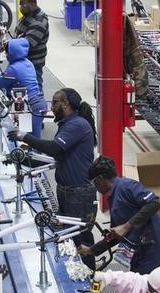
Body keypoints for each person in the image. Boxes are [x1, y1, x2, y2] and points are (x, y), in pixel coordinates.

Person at [78, 155, 160, 293]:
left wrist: (127, 226)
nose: (95, 188)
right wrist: (92, 250)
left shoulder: (126, 187)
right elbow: (117, 235)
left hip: (156, 252)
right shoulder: (114, 196)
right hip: (142, 254)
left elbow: (154, 203)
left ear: (101, 179)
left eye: (94, 183)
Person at [8, 87, 97, 257]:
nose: (52, 106)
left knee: (81, 240)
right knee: (71, 238)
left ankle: (90, 277)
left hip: (79, 194)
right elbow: (59, 158)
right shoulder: (67, 124)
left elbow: (54, 148)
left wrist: (24, 136)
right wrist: (23, 160)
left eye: (55, 102)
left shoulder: (77, 125)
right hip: (69, 192)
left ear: (65, 104)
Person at [0, 38, 47, 138]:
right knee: (30, 136)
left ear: (12, 53)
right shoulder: (27, 62)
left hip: (31, 107)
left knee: (32, 139)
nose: (6, 55)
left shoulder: (14, 68)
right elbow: (6, 76)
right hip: (39, 103)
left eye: (7, 53)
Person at [15, 0, 49, 93]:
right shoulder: (29, 15)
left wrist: (10, 46)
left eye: (24, 6)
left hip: (33, 62)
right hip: (25, 60)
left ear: (33, 5)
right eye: (20, 5)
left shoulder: (39, 22)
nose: (21, 8)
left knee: (35, 88)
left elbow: (27, 44)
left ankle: (39, 107)